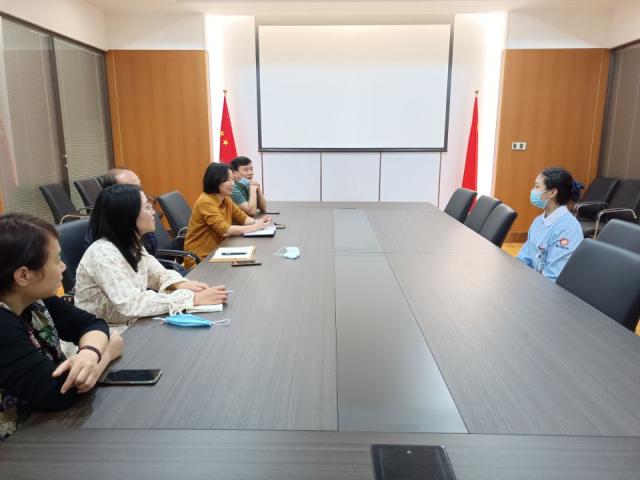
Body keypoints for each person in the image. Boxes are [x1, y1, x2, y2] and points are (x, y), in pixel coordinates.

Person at [0, 213, 123, 441]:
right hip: (15, 445)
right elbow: (58, 393)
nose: (64, 267)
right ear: (24, 275)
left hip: (43, 424)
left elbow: (91, 323)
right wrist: (105, 355)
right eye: (57, 260)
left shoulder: (35, 297)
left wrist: (89, 354)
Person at [74, 184, 228, 331]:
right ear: (127, 216)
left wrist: (180, 284)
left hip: (130, 324)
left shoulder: (129, 243)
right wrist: (191, 299)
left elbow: (158, 274)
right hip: (104, 332)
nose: (154, 212)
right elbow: (131, 304)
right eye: (147, 208)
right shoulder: (103, 254)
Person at [184, 163, 272, 263]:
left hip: (220, 250)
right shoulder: (206, 201)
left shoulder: (225, 198)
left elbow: (243, 218)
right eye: (228, 180)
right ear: (215, 180)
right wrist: (256, 226)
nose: (232, 184)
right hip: (201, 258)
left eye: (232, 180)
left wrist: (257, 221)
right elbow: (225, 231)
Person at [517, 167, 584, 282]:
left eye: (537, 187)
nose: (533, 190)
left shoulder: (569, 229)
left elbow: (552, 278)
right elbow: (523, 259)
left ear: (552, 192)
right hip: (534, 283)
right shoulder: (539, 221)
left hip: (549, 289)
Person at [85, 168, 158, 256]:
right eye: (134, 189)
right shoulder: (102, 247)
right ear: (116, 194)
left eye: (140, 187)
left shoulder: (138, 218)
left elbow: (150, 252)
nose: (141, 192)